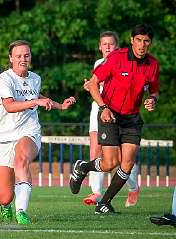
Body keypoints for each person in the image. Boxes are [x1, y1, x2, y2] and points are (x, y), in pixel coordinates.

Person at [69, 23, 160, 214]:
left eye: (146, 41)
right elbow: (93, 84)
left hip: (132, 119)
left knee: (127, 163)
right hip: (109, 115)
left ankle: (104, 203)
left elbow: (154, 90)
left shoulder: (153, 64)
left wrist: (152, 99)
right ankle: (83, 167)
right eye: (138, 40)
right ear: (131, 40)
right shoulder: (116, 58)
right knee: (110, 163)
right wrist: (103, 107)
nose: (142, 45)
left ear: (150, 43)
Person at [0, 40, 76, 224]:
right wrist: (35, 102)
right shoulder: (5, 79)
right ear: (11, 58)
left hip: (28, 131)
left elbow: (38, 96)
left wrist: (60, 106)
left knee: (21, 161)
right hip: (2, 136)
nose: (23, 59)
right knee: (5, 196)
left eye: (26, 55)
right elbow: (10, 106)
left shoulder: (35, 78)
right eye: (19, 56)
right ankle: (5, 205)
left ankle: (22, 211)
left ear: (30, 57)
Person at [82, 31, 140, 207]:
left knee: (122, 159)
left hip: (119, 113)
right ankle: (97, 192)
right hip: (99, 111)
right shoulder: (98, 63)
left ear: (118, 47)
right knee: (95, 150)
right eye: (104, 44)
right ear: (99, 47)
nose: (107, 46)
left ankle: (133, 187)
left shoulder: (125, 62)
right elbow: (95, 85)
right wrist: (89, 86)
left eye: (111, 44)